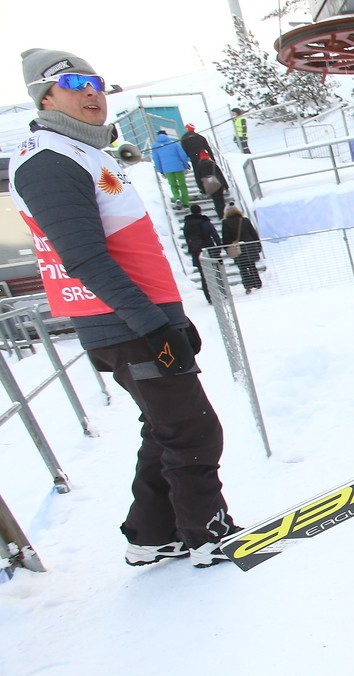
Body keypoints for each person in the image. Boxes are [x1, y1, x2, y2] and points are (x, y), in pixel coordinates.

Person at [9, 48, 237, 568]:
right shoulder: (49, 160)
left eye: (97, 81)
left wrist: (170, 319)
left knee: (166, 427)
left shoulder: (85, 151)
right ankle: (208, 533)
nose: (92, 92)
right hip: (125, 321)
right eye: (73, 82)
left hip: (138, 316)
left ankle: (152, 534)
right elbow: (84, 256)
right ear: (46, 96)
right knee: (194, 429)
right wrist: (154, 326)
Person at [182, 204, 222, 303]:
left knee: (203, 275)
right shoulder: (205, 222)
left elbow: (187, 238)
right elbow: (214, 235)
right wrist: (219, 247)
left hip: (197, 252)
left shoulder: (187, 223)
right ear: (200, 211)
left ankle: (209, 297)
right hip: (209, 249)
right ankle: (221, 292)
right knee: (216, 271)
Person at [220, 205, 262, 293]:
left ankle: (248, 285)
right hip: (249, 245)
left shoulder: (226, 223)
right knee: (252, 265)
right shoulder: (245, 220)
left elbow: (226, 238)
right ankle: (257, 283)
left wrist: (227, 248)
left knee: (242, 267)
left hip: (237, 248)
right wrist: (258, 245)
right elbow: (253, 233)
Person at [150, 128, 190, 208]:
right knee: (182, 185)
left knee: (173, 185)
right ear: (166, 135)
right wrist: (186, 165)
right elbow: (183, 155)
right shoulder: (174, 144)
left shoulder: (155, 146)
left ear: (158, 136)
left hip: (167, 169)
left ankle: (177, 198)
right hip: (178, 167)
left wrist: (161, 170)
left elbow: (156, 160)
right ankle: (186, 203)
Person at [179, 122, 215, 191]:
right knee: (207, 172)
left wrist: (185, 161)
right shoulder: (200, 137)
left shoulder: (184, 138)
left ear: (187, 129)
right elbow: (208, 148)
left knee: (197, 173)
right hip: (204, 157)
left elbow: (184, 150)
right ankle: (211, 186)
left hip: (194, 158)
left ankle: (202, 188)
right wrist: (212, 158)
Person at [194, 150, 228, 219]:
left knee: (216, 200)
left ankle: (220, 215)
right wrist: (226, 185)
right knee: (221, 198)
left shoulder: (198, 166)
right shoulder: (213, 164)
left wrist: (202, 189)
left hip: (209, 185)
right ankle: (224, 213)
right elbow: (220, 175)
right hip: (218, 183)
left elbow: (198, 178)